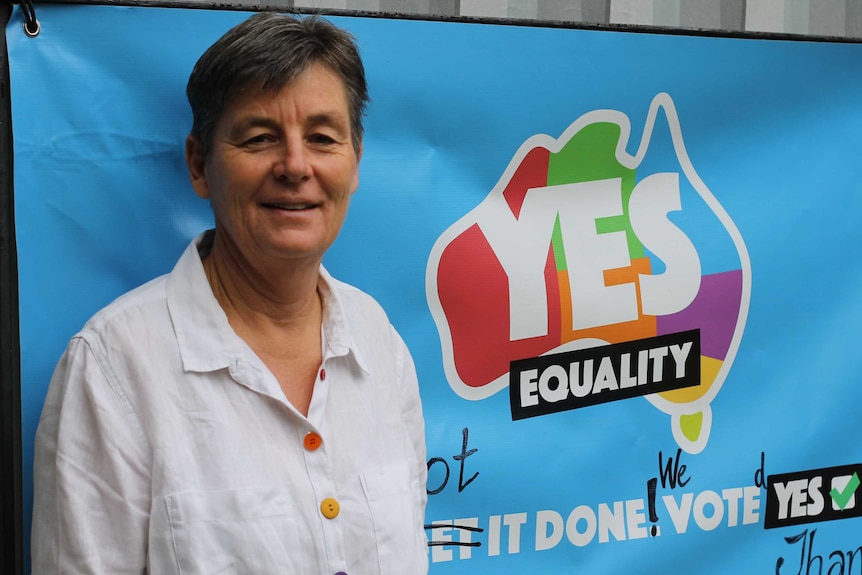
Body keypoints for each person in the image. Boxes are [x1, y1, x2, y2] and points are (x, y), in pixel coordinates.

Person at [31, 12, 428, 574]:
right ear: (199, 165)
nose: (295, 165)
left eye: (322, 138)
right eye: (261, 138)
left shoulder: (379, 343)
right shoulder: (115, 369)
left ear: (355, 161)